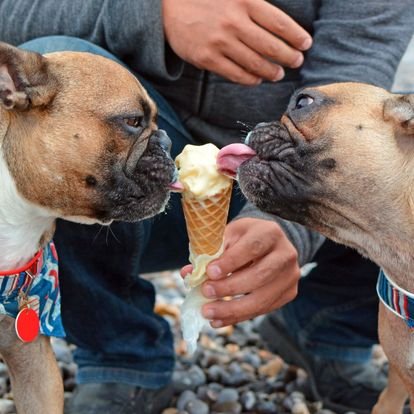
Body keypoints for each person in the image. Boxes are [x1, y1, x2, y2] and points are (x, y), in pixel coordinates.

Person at [0, 1, 413, 413]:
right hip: (124, 184)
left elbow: (359, 67)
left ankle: (331, 326)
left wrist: (288, 225)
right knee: (53, 50)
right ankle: (119, 351)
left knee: (392, 148)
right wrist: (153, 16)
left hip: (277, 169)